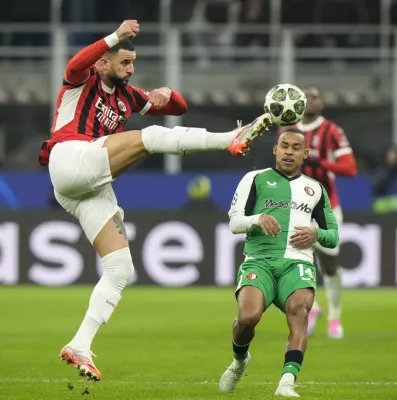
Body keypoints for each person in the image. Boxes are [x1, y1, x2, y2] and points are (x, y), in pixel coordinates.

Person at [41, 20, 273, 382]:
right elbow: (74, 63)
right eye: (124, 62)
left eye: (133, 63)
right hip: (70, 158)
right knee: (148, 136)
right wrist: (115, 36)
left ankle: (79, 345)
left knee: (121, 269)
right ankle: (231, 137)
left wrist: (166, 92)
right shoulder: (81, 79)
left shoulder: (127, 96)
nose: (131, 70)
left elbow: (178, 109)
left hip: (86, 187)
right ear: (103, 62)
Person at [219, 128, 339, 397]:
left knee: (300, 312)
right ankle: (240, 362)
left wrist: (315, 233)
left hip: (297, 264)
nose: (289, 151)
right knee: (248, 318)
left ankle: (286, 382)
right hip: (259, 261)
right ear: (275, 149)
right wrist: (257, 219)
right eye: (284, 146)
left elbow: (333, 236)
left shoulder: (315, 190)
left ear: (305, 153)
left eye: (296, 147)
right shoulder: (255, 179)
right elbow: (234, 222)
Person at [282, 87, 357, 339]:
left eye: (316, 96)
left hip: (326, 207)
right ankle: (312, 309)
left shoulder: (332, 131)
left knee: (329, 262)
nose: (313, 100)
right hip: (296, 205)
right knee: (294, 261)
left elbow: (350, 168)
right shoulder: (287, 130)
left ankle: (335, 317)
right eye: (308, 97)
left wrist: (321, 163)